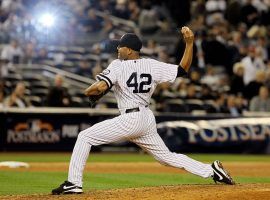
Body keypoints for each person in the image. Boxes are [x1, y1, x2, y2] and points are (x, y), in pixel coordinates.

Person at [52, 27, 235, 195]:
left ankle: (74, 182)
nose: (118, 49)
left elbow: (99, 87)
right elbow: (182, 70)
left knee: (85, 137)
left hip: (130, 119)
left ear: (129, 50)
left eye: (121, 47)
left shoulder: (118, 65)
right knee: (166, 158)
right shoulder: (151, 65)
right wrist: (189, 44)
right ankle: (211, 170)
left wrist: (88, 91)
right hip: (145, 118)